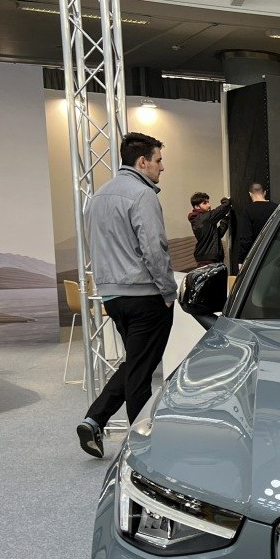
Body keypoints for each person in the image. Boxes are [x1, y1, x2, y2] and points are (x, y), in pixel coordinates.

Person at [76, 131, 176, 459]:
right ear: (142, 162)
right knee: (141, 372)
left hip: (112, 296)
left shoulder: (98, 197)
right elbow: (154, 248)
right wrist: (168, 291)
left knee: (136, 361)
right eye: (159, 160)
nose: (162, 167)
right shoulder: (142, 195)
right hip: (145, 295)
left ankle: (95, 419)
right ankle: (142, 447)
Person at [233, 182, 278, 273]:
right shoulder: (276, 208)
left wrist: (241, 260)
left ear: (250, 194)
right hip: (276, 254)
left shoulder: (248, 210)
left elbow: (246, 238)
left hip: (256, 257)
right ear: (264, 193)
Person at [188, 191, 232, 267]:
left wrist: (225, 219)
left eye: (208, 202)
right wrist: (225, 200)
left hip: (207, 257)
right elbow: (223, 208)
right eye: (205, 203)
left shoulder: (200, 219)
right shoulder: (204, 218)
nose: (209, 205)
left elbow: (218, 234)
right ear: (197, 207)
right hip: (208, 259)